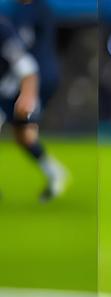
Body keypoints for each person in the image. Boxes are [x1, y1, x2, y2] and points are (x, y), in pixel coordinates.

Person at [0, 4, 66, 202]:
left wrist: (28, 95)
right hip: (15, 84)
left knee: (25, 134)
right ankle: (54, 172)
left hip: (18, 85)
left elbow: (26, 65)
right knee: (23, 135)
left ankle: (54, 173)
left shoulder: (8, 27)